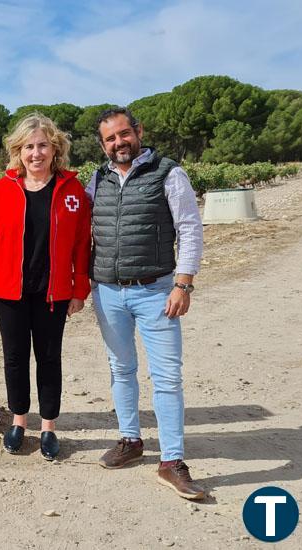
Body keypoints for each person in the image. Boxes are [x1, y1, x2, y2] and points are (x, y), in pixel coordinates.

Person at [87, 107, 205, 500]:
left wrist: (183, 284)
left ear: (139, 131)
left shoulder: (168, 173)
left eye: (124, 134)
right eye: (110, 138)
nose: (119, 143)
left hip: (157, 291)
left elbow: (190, 229)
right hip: (107, 291)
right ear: (102, 144)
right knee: (121, 368)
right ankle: (130, 441)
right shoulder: (97, 179)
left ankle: (171, 461)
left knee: (167, 377)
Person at [0, 113, 91, 461]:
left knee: (49, 359)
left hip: (53, 292)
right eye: (28, 147)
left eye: (42, 145)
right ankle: (19, 422)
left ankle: (49, 427)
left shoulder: (72, 191)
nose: (35, 153)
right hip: (9, 292)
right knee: (15, 358)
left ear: (55, 149)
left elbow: (83, 244)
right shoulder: (2, 190)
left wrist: (79, 289)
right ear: (18, 151)